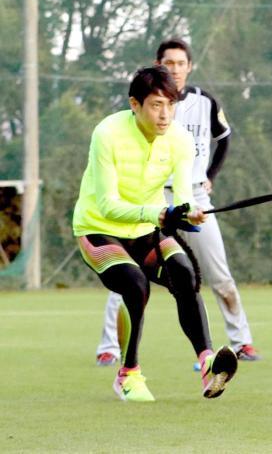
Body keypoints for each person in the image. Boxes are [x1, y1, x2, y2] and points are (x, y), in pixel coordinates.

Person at [74, 66, 238, 402]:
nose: (165, 115)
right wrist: (160, 213)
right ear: (135, 104)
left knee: (184, 273)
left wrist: (190, 211)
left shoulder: (180, 139)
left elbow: (182, 196)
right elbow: (107, 205)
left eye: (171, 105)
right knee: (135, 284)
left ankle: (207, 363)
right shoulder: (107, 134)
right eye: (156, 105)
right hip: (98, 230)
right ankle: (128, 374)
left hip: (145, 229)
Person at [95, 38, 261, 367]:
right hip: (150, 199)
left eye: (180, 63)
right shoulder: (141, 106)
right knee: (128, 275)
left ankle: (241, 342)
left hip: (192, 198)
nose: (174, 69)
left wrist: (210, 175)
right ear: (158, 66)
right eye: (168, 63)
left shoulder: (205, 102)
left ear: (189, 67)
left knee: (218, 273)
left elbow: (224, 139)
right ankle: (110, 346)